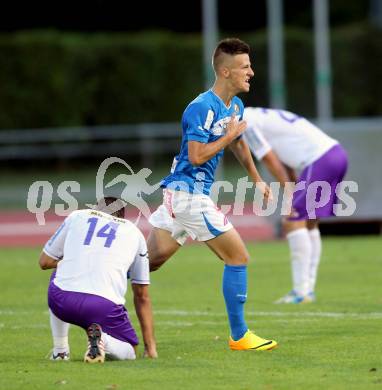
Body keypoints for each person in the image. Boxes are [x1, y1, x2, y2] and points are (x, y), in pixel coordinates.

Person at [147, 38, 277, 351]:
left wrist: (257, 179)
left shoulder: (234, 105)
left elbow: (239, 143)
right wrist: (228, 136)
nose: (252, 72)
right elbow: (196, 156)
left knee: (147, 263)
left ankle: (88, 278)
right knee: (238, 257)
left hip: (180, 197)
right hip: (189, 197)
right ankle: (240, 336)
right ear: (225, 71)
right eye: (245, 67)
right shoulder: (200, 107)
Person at [243, 107, 348, 303]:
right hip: (337, 154)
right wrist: (292, 186)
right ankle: (307, 289)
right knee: (308, 223)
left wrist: (289, 192)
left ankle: (301, 292)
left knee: (292, 221)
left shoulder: (245, 121)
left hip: (320, 159)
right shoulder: (260, 116)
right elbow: (285, 159)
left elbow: (269, 157)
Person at [39, 197, 157, 362]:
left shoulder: (77, 216)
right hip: (103, 307)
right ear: (121, 217)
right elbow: (142, 295)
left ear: (96, 208)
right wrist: (150, 347)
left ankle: (60, 351)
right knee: (130, 350)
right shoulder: (134, 232)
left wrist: (73, 260)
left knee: (60, 271)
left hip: (61, 301)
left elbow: (45, 262)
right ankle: (103, 341)